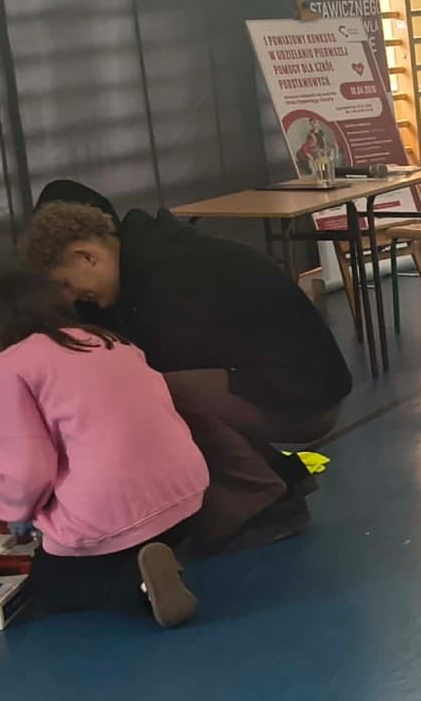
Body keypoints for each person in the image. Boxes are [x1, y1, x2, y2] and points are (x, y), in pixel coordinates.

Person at [21, 183, 352, 553]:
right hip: (293, 386)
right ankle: (277, 478)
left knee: (151, 395)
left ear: (86, 256)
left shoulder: (166, 277)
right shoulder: (148, 255)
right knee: (156, 392)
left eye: (66, 284)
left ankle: (265, 507)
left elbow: (156, 385)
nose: (70, 298)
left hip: (308, 402)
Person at [0, 273, 205, 628]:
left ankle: (137, 585)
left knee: (49, 591)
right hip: (185, 495)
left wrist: (9, 506)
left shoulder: (11, 366)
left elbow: (29, 470)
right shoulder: (113, 341)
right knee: (130, 536)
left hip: (106, 513)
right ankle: (155, 564)